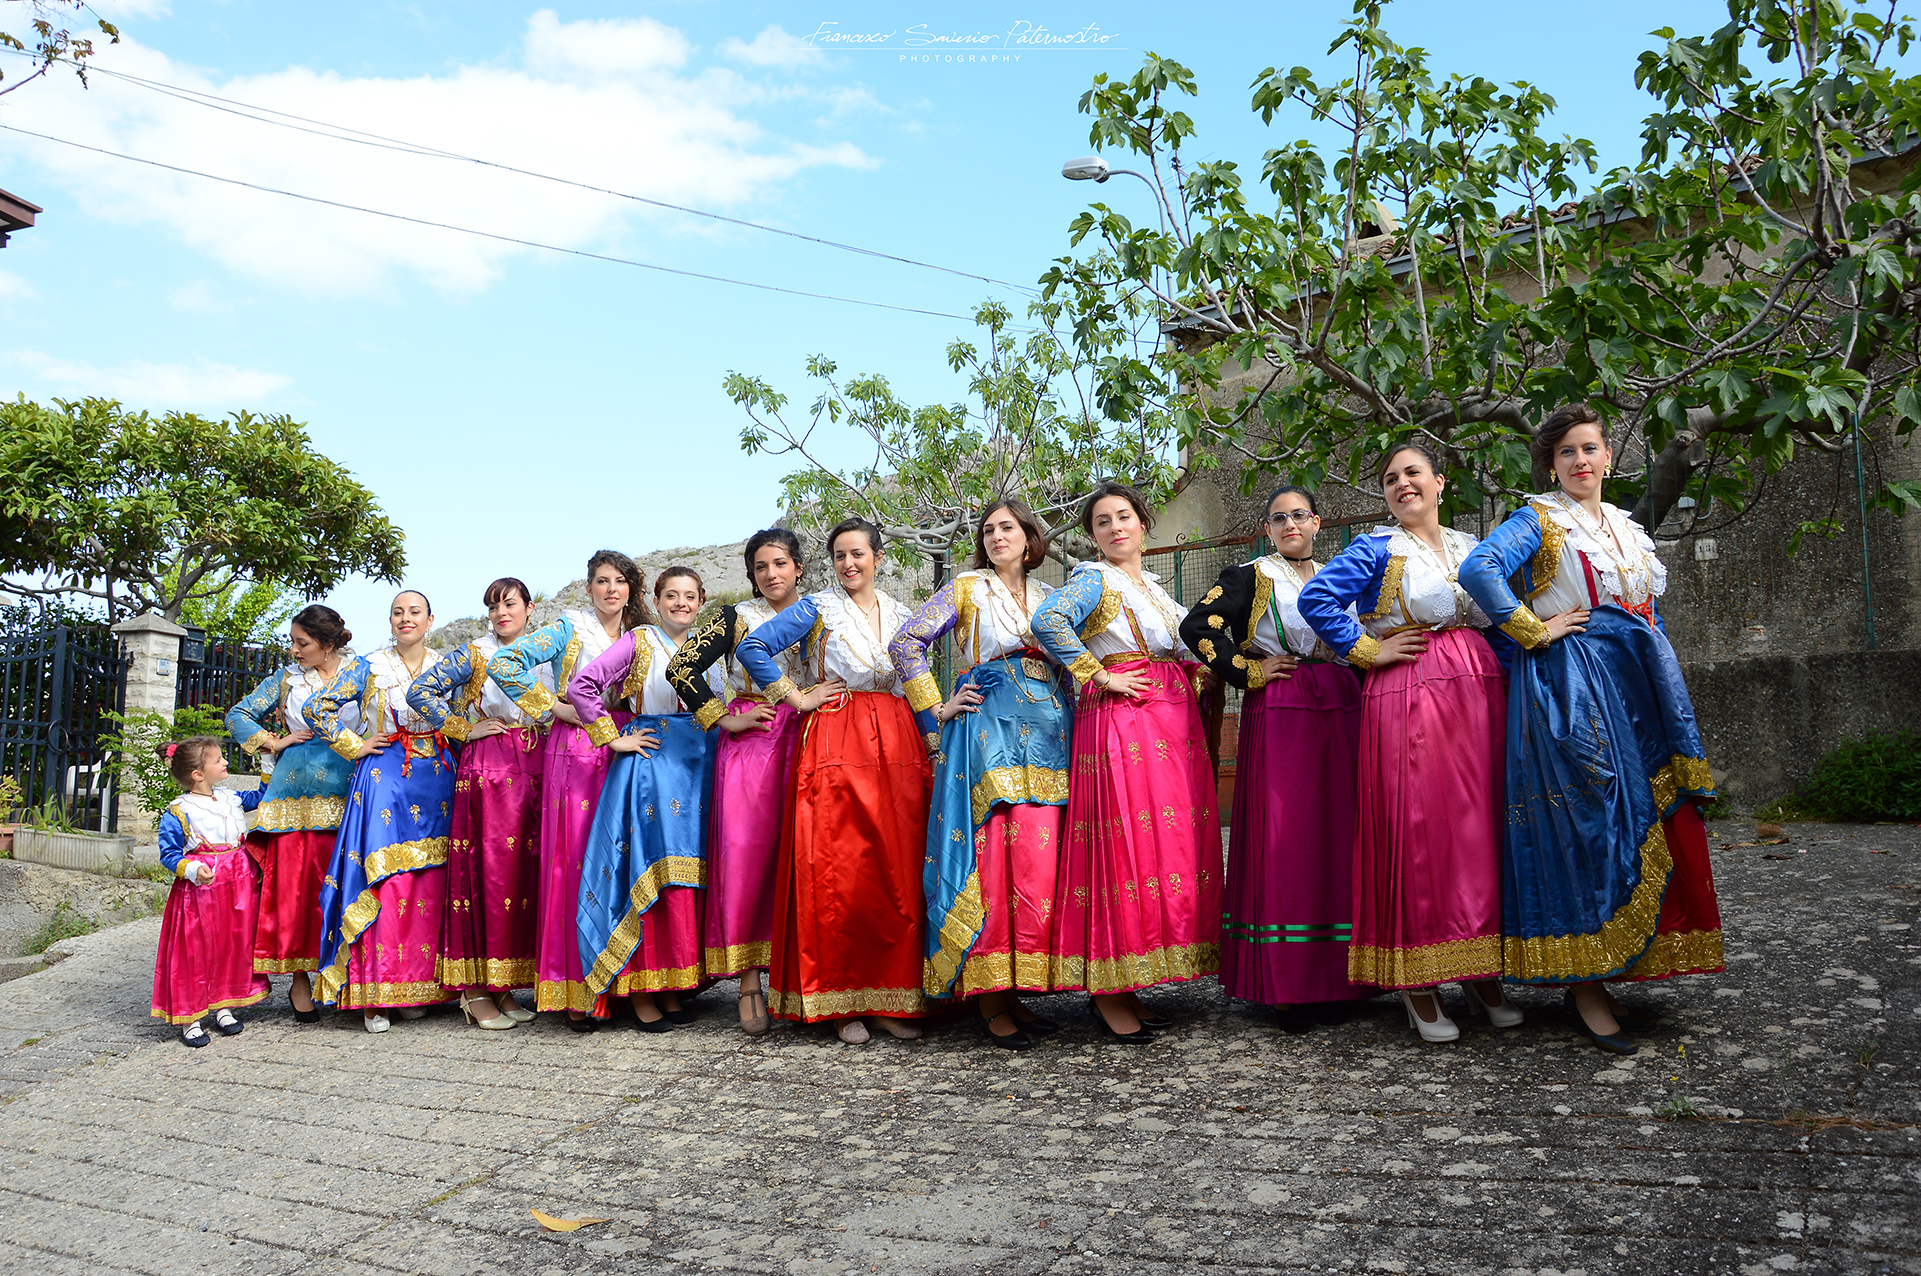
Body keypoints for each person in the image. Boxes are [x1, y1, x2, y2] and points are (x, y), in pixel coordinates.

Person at [1458, 403, 1722, 1054]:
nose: (1580, 461)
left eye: (1589, 448)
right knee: (1589, 825)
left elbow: (1642, 607)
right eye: (1566, 452)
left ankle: (1613, 967)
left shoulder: (1626, 528)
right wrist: (1530, 629)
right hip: (1571, 683)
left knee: (1644, 818)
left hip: (1633, 683)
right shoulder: (1539, 519)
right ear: (1551, 464)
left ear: (1608, 457)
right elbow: (1477, 571)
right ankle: (1583, 986)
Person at [1296, 443, 1522, 1045]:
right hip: (1409, 690)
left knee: (1476, 834)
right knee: (1417, 831)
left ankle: (1477, 971)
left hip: (1477, 692)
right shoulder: (1375, 549)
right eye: (1391, 479)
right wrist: (1369, 650)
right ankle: (1417, 983)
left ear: (1441, 482)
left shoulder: (1477, 549)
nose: (1403, 485)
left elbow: (1501, 621)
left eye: (1413, 474)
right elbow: (1314, 600)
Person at [1179, 485, 1376, 1030]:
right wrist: (1248, 672)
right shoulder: (1249, 575)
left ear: (1317, 522)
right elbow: (1197, 629)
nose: (1289, 525)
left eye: (1299, 516)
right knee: (1287, 838)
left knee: (1342, 835)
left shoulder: (1343, 574)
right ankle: (1288, 985)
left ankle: (1344, 980)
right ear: (1267, 528)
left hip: (1343, 702)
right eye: (1277, 518)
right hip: (1284, 705)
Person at [1030, 481, 1221, 1043]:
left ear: (1143, 523)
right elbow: (1048, 622)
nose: (1115, 528)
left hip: (1169, 721)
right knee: (1122, 847)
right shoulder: (1095, 579)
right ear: (1092, 536)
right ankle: (1107, 988)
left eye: (1124, 517)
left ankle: (1132, 978)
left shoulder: (1158, 590)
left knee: (1164, 849)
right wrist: (1099, 674)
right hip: (1122, 718)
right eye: (1102, 522)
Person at [734, 518, 931, 1044]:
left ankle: (891, 995)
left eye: (858, 554)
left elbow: (915, 677)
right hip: (837, 737)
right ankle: (844, 1001)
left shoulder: (903, 612)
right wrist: (796, 697)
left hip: (897, 736)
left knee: (895, 868)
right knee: (843, 867)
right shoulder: (816, 607)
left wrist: (935, 726)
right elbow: (752, 649)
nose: (849, 564)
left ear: (878, 557)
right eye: (840, 555)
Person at [888, 499, 1071, 1050]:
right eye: (988, 530)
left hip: (1048, 737)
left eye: (1007, 528)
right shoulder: (967, 588)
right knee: (990, 857)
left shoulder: (1050, 599)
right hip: (986, 732)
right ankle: (989, 998)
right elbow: (906, 643)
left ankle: (1016, 991)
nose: (996, 537)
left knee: (1035, 860)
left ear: (1029, 537)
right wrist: (936, 708)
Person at [665, 529, 837, 1036]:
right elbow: (682, 668)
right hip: (752, 744)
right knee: (745, 858)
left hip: (810, 738)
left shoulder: (822, 613)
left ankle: (807, 979)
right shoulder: (733, 618)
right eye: (761, 567)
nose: (771, 574)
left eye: (780, 563)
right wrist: (723, 718)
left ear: (799, 567)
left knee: (803, 855)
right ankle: (747, 982)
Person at [486, 550, 648, 1029]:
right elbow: (506, 662)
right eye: (602, 581)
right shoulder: (569, 628)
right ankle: (575, 990)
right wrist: (553, 708)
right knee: (576, 860)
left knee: (619, 859)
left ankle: (619, 984)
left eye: (620, 581)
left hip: (624, 741)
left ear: (632, 589)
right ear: (589, 587)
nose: (611, 590)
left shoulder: (639, 636)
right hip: (576, 748)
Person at [570, 567, 726, 1030]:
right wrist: (613, 737)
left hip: (697, 769)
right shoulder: (640, 641)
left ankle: (674, 985)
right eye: (671, 595)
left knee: (685, 879)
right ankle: (639, 992)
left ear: (701, 602)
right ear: (656, 601)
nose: (681, 603)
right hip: (651, 767)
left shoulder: (708, 648)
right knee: (648, 871)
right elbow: (584, 685)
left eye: (690, 596)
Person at [309, 590, 456, 1032]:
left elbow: (467, 710)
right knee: (385, 881)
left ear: (431, 619)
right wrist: (355, 745)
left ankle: (416, 987)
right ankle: (373, 994)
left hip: (439, 777)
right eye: (398, 612)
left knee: (429, 885)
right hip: (385, 778)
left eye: (415, 612)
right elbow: (318, 707)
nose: (406, 619)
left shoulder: (448, 664)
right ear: (389, 620)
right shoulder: (368, 664)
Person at [404, 577, 546, 1030]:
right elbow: (419, 692)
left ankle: (503, 986)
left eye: (510, 604)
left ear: (529, 607)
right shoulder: (475, 652)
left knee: (522, 878)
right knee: (487, 874)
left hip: (536, 762)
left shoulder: (544, 649)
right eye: (493, 606)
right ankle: (473, 989)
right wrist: (464, 728)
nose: (501, 613)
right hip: (489, 768)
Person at [225, 604, 356, 1024]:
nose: (295, 651)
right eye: (293, 643)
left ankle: (347, 974)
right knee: (295, 890)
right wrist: (272, 742)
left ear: (328, 643)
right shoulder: (285, 680)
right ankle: (300, 978)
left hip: (348, 790)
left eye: (303, 643)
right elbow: (238, 715)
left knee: (341, 884)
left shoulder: (362, 674)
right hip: (291, 798)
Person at [151, 738, 271, 1047]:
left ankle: (224, 1006)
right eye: (218, 760)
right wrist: (192, 869)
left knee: (232, 943)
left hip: (239, 883)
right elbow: (169, 854)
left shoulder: (230, 798)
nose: (225, 763)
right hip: (203, 890)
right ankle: (190, 1017)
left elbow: (262, 795)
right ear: (197, 774)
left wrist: (269, 758)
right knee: (197, 948)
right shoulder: (180, 810)